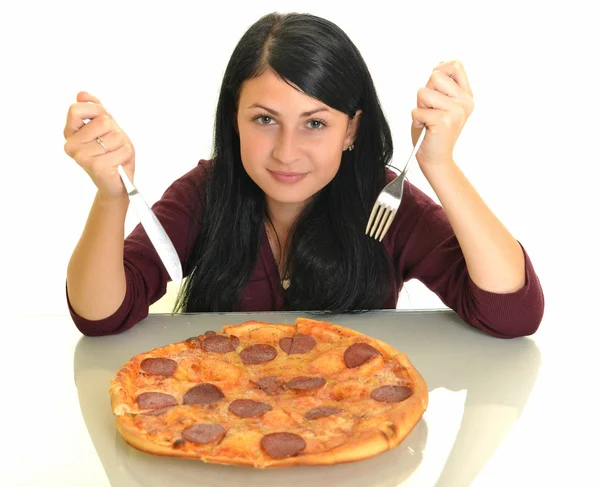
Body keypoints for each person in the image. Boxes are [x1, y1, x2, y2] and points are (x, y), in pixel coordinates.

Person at [63, 12, 544, 338]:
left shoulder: (384, 202)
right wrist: (111, 197)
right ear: (234, 118)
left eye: (315, 123)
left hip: (351, 443)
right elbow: (100, 315)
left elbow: (511, 313)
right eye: (265, 119)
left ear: (351, 129)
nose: (287, 152)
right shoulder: (204, 194)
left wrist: (439, 164)